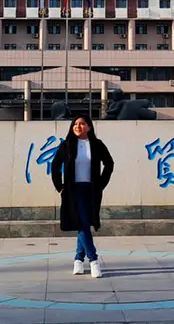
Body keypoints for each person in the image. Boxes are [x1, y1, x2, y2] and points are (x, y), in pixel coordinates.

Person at [50, 115, 114, 279]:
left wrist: (101, 183)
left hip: (91, 189)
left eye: (82, 123)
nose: (78, 126)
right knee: (83, 223)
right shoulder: (67, 145)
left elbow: (109, 163)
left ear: (89, 127)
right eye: (75, 124)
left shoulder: (97, 145)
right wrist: (60, 187)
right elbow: (55, 165)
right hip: (73, 190)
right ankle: (93, 261)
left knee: (84, 223)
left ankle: (78, 259)